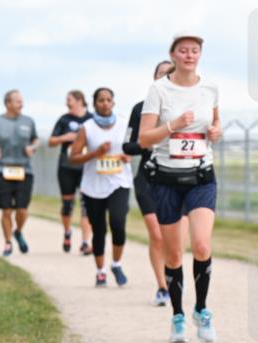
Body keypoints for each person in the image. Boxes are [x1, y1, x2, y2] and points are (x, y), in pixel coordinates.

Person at [139, 33, 222, 343]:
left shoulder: (210, 88)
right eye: (183, 50)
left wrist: (216, 131)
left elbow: (215, 124)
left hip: (201, 175)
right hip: (166, 179)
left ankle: (201, 310)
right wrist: (172, 125)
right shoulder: (159, 90)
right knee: (173, 253)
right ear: (173, 55)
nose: (189, 55)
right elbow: (145, 139)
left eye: (195, 50)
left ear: (200, 55)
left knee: (201, 245)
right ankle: (177, 314)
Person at [124, 60, 189, 306]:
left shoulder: (188, 110)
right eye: (162, 74)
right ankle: (162, 286)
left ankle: (175, 283)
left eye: (170, 74)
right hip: (149, 179)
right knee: (157, 235)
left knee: (177, 243)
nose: (166, 78)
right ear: (154, 79)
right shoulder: (140, 109)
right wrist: (151, 139)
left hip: (180, 178)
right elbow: (128, 146)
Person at [70, 87, 133, 287]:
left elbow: (132, 146)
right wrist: (95, 153)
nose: (105, 103)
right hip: (93, 185)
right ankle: (100, 271)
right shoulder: (86, 128)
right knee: (98, 229)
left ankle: (116, 263)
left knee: (118, 221)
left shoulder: (124, 124)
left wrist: (127, 155)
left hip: (119, 181)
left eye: (108, 100)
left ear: (113, 103)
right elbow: (73, 157)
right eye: (101, 100)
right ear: (94, 104)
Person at [0, 90, 39, 257]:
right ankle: (7, 242)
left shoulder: (29, 121)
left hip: (24, 170)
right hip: (1, 170)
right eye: (18, 101)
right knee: (6, 210)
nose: (21, 104)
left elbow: (36, 140)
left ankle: (18, 231)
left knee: (22, 210)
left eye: (22, 101)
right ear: (8, 104)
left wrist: (32, 148)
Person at [49, 90, 94, 254]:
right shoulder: (64, 119)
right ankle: (67, 232)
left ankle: (85, 241)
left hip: (86, 167)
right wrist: (64, 138)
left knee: (86, 205)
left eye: (69, 99)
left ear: (79, 100)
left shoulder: (91, 119)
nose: (67, 102)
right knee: (67, 205)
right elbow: (51, 141)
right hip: (66, 167)